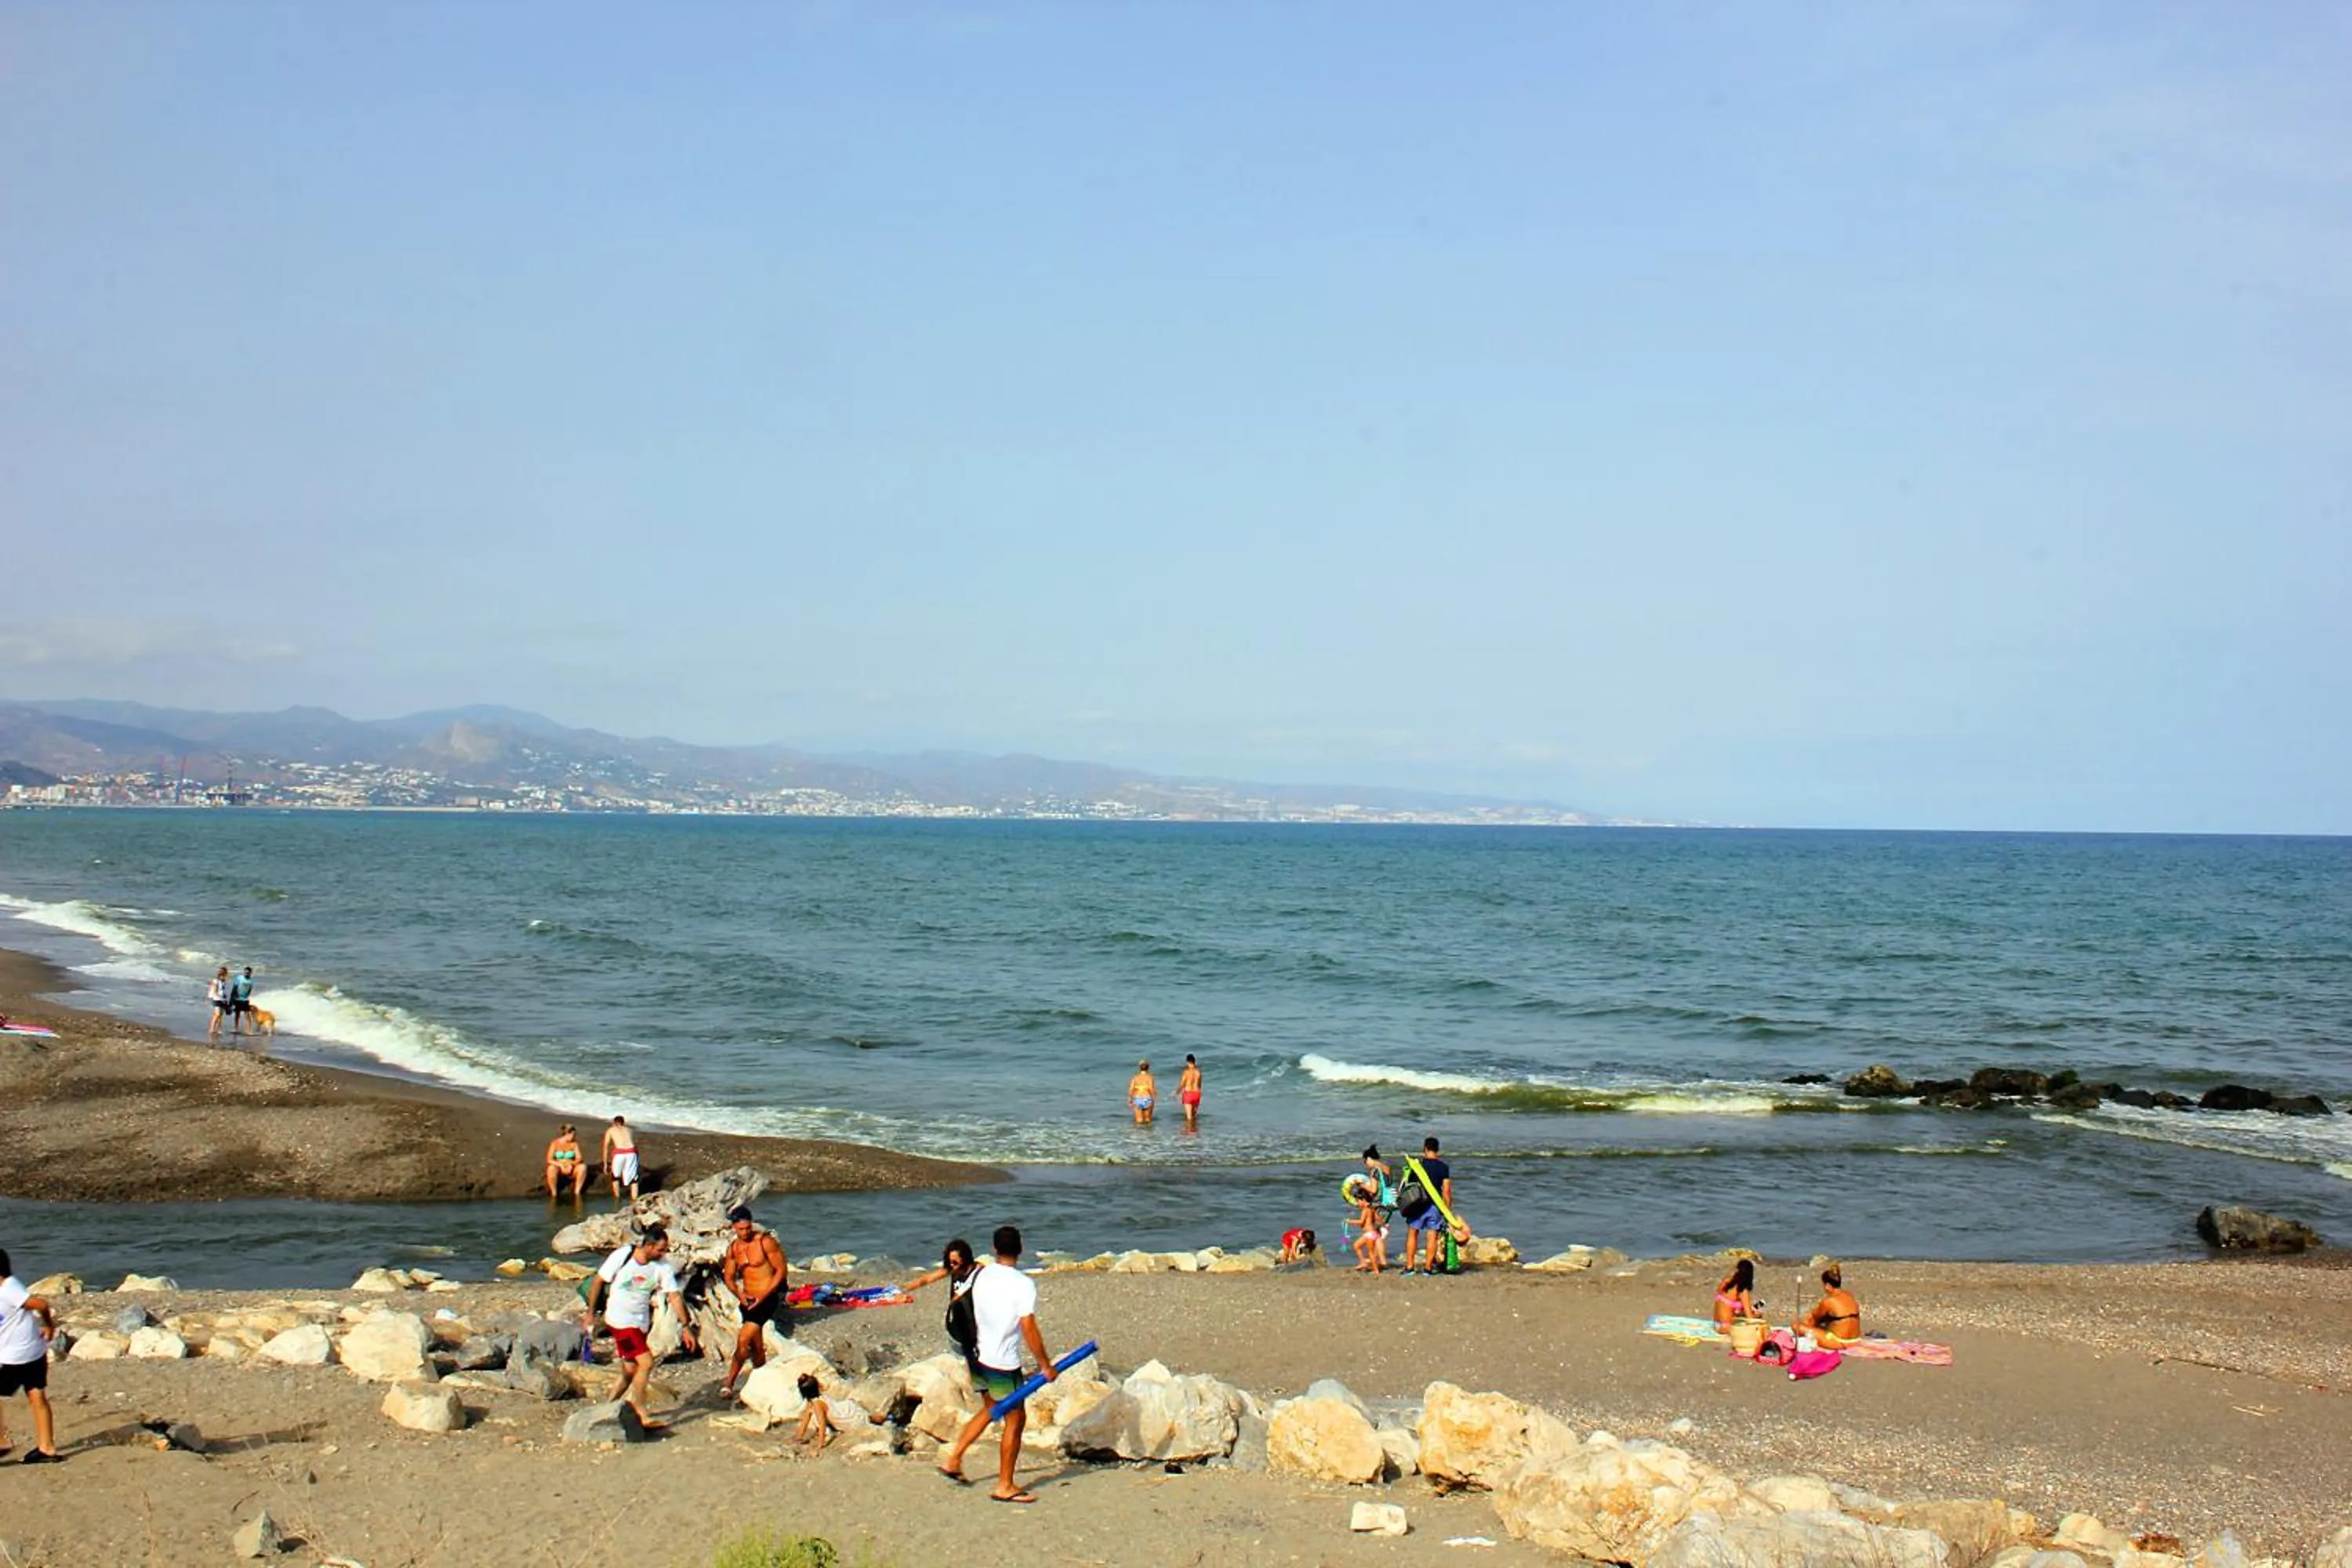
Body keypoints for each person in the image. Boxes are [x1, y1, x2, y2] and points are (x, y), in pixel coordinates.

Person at [938, 1225, 1056, 1503]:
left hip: (977, 1357)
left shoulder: (982, 1273)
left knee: (992, 1409)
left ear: (994, 1249)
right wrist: (1045, 1365)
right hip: (1002, 1363)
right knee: (1015, 1420)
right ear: (1021, 1249)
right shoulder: (1023, 1284)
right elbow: (1028, 1325)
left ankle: (953, 1459)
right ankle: (1005, 1485)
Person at [583, 1225, 698, 1429]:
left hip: (640, 1322)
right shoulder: (624, 1256)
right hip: (620, 1321)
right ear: (648, 1246)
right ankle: (639, 1410)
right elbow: (599, 1281)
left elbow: (674, 1296)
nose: (664, 1253)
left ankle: (607, 1408)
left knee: (630, 1370)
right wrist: (590, 1313)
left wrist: (686, 1326)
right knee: (646, 1362)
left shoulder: (662, 1266)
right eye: (660, 1249)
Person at [719, 1204, 789, 1400]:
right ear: (733, 1227)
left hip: (766, 1298)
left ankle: (729, 1383)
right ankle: (762, 1378)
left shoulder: (765, 1242)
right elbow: (729, 1277)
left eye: (748, 1228)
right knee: (756, 1346)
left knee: (743, 1339)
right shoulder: (734, 1248)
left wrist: (767, 1293)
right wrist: (739, 1295)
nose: (746, 1232)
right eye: (741, 1229)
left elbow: (781, 1270)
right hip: (748, 1299)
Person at [0, 1248, 62, 1464]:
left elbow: (41, 1304)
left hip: (16, 1357)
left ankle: (1, 1441)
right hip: (34, 1352)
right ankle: (47, 1448)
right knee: (36, 1396)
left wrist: (48, 1324)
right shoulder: (9, 1286)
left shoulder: (9, 1290)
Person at [1400, 1137, 1457, 1276]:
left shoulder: (1417, 1166)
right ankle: (1427, 1268)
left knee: (1413, 1234)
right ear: (1437, 1150)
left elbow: (1407, 1186)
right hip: (1435, 1205)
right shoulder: (1443, 1167)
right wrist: (1447, 1210)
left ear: (1425, 1149)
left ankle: (1410, 1267)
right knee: (1432, 1236)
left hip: (1417, 1204)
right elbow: (1446, 1191)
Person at [1798, 1262, 1861, 1347]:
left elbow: (1814, 1318)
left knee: (1796, 1326)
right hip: (1856, 1339)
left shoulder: (1829, 1301)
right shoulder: (1849, 1296)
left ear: (1827, 1285)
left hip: (1840, 1342)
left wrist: (1806, 1327)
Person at [793, 1372, 846, 1452]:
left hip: (843, 1416)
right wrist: (799, 1437)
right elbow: (805, 1419)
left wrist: (820, 1444)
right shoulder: (813, 1402)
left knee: (864, 1420)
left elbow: (822, 1424)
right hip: (841, 1409)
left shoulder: (817, 1404)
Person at [1346, 1177, 1388, 1273]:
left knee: (1371, 1253)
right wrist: (1384, 1225)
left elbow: (1361, 1222)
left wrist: (1350, 1222)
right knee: (1356, 1246)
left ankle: (1376, 1270)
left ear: (1364, 1200)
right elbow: (1379, 1219)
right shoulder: (1372, 1209)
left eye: (1358, 1201)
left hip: (1369, 1234)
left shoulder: (1365, 1210)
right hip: (1372, 1233)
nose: (1357, 1203)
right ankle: (1363, 1263)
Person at [1712, 1258, 1760, 1330]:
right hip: (1726, 1327)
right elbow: (1750, 1319)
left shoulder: (1726, 1282)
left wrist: (1741, 1311)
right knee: (1757, 1321)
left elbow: (1727, 1305)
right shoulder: (1743, 1291)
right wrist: (1757, 1315)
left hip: (1716, 1325)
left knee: (1743, 1314)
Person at [602, 1115, 641, 1202]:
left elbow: (605, 1147)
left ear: (614, 1123)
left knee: (615, 1177)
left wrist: (605, 1164)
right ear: (623, 1123)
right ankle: (635, 1200)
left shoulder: (611, 1130)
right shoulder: (629, 1130)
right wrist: (637, 1161)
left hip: (620, 1153)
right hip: (632, 1152)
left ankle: (617, 1199)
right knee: (634, 1179)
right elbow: (635, 1145)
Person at [544, 1124, 586, 1199]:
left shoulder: (574, 1144)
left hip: (570, 1167)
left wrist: (572, 1164)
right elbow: (549, 1159)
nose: (574, 1137)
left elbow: (579, 1158)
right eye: (573, 1135)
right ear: (567, 1134)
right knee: (551, 1169)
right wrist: (560, 1165)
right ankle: (554, 1193)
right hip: (559, 1167)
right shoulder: (555, 1143)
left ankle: (577, 1192)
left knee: (583, 1167)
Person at [229, 966, 256, 1036]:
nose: (246, 973)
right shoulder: (239, 978)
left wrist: (247, 996)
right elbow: (234, 988)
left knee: (247, 1014)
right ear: (244, 972)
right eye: (245, 972)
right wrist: (232, 998)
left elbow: (249, 990)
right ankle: (235, 1028)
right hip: (238, 998)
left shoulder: (250, 981)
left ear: (250, 973)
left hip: (245, 999)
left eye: (248, 973)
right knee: (237, 1014)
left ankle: (248, 1030)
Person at [1127, 1061, 1156, 1125]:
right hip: (1147, 1098)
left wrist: (1130, 1099)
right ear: (1148, 1068)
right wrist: (1154, 1098)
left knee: (1139, 1120)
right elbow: (1151, 1088)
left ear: (1140, 1068)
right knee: (1148, 1120)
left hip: (1137, 1098)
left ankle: (1139, 1134)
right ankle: (1148, 1134)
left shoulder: (1135, 1078)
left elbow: (1131, 1089)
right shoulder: (1150, 1077)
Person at [205, 967, 230, 1040]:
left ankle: (218, 1029)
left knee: (221, 1015)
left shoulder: (223, 981)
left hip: (222, 999)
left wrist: (225, 999)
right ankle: (211, 1029)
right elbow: (215, 991)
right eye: (226, 973)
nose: (226, 975)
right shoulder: (216, 981)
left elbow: (223, 990)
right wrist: (221, 998)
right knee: (217, 1014)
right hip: (217, 999)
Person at [1178, 1054, 1203, 1128]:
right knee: (1194, 1115)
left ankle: (1189, 1135)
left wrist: (1176, 1092)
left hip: (1188, 1094)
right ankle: (1194, 1131)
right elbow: (1199, 1085)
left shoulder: (1186, 1072)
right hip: (1196, 1093)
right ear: (1194, 1062)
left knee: (1189, 1118)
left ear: (1188, 1062)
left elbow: (1182, 1084)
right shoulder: (1198, 1072)